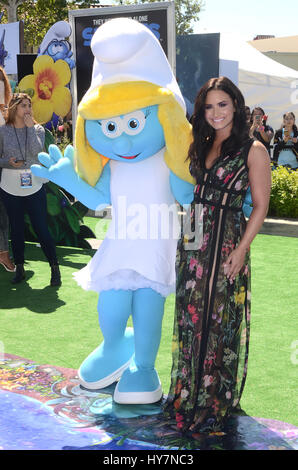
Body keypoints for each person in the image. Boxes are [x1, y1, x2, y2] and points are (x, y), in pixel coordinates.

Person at [164, 77, 271, 434]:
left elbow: (260, 206)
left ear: (236, 106)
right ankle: (188, 392)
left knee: (218, 319)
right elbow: (191, 195)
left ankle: (214, 399)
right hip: (194, 238)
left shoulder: (253, 149)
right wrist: (185, 244)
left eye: (222, 105)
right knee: (191, 315)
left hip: (227, 241)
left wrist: (242, 250)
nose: (215, 113)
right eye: (208, 106)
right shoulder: (202, 142)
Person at [0, 93, 61, 286]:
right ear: (14, 108)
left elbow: (38, 153)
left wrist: (30, 129)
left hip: (33, 186)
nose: (27, 109)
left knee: (41, 228)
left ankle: (54, 267)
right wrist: (7, 163)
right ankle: (19, 268)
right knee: (16, 230)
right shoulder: (3, 131)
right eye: (23, 105)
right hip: (9, 187)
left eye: (29, 105)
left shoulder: (38, 129)